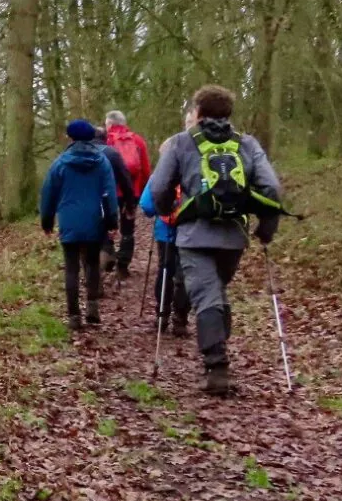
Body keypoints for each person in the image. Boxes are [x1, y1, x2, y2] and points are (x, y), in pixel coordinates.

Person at [145, 85, 283, 396]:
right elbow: (271, 188)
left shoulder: (181, 143)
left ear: (199, 112)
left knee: (207, 295)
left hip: (193, 235)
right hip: (233, 236)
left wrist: (167, 210)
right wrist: (267, 226)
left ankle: (217, 366)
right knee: (215, 291)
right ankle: (218, 346)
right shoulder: (246, 144)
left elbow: (158, 188)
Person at [40, 119, 120, 333]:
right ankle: (92, 307)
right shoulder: (102, 162)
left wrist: (47, 220)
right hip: (95, 220)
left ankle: (74, 316)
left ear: (71, 137)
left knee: (72, 268)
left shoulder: (60, 163)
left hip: (69, 220)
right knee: (92, 263)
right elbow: (110, 193)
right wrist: (112, 220)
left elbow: (48, 194)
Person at [104, 111, 151, 276]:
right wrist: (142, 189)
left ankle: (107, 257)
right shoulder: (137, 141)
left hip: (109, 192)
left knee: (106, 224)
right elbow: (145, 170)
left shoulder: (105, 142)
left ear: (109, 124)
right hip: (132, 192)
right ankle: (123, 265)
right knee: (128, 229)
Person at [139, 183, 189, 338]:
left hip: (165, 230)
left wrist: (158, 210)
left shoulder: (161, 174)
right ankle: (180, 319)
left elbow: (147, 206)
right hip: (189, 231)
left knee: (165, 270)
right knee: (185, 274)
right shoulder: (195, 170)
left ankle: (162, 315)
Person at [97, 130, 138, 282]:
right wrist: (131, 201)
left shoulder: (78, 152)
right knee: (125, 230)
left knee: (99, 232)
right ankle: (122, 265)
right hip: (115, 196)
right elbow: (128, 177)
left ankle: (100, 269)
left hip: (91, 200)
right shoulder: (116, 151)